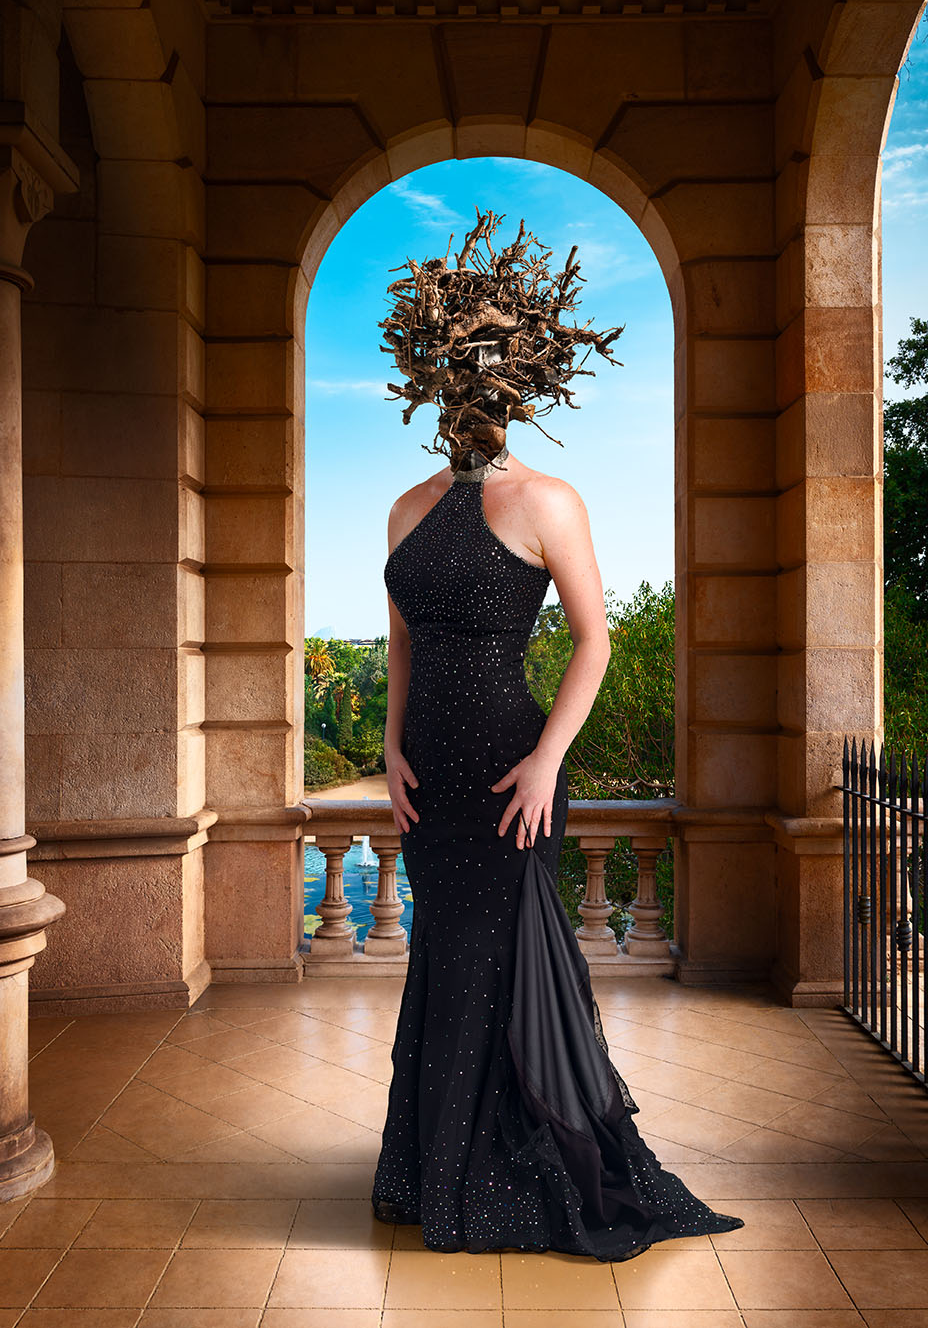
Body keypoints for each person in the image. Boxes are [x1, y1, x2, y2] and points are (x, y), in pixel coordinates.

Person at [370, 214, 745, 1258]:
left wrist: (546, 761)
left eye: (489, 366)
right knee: (446, 954)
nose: (475, 385)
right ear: (435, 377)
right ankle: (433, 1164)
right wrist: (389, 750)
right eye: (458, 367)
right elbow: (399, 644)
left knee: (504, 960)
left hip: (508, 762)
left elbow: (595, 642)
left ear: (517, 374)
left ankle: (506, 1166)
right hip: (430, 776)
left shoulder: (550, 501)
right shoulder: (402, 509)